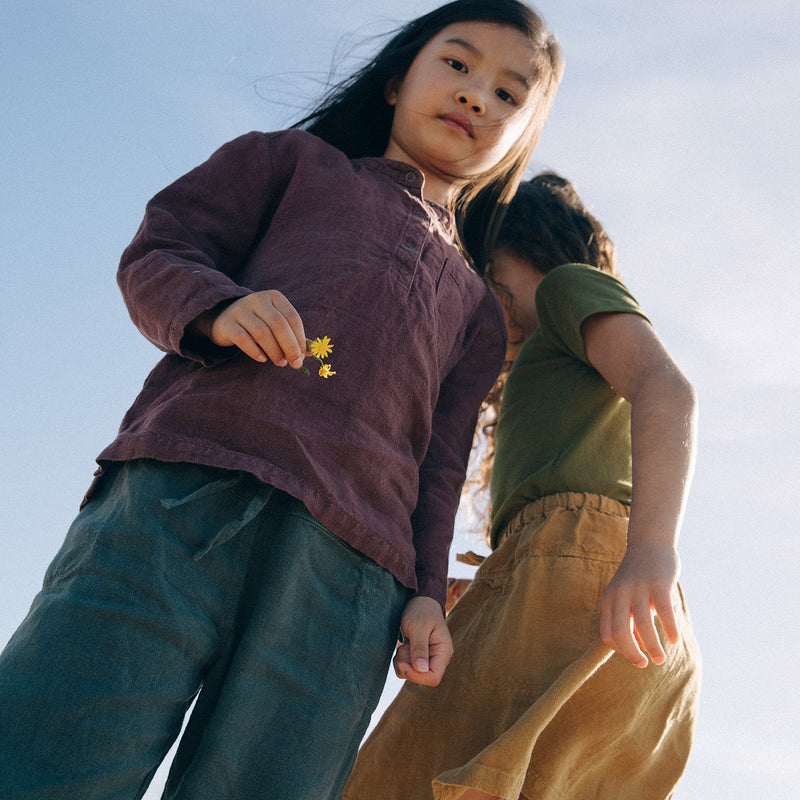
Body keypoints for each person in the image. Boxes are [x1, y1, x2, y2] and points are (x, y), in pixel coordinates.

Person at [0, 3, 564, 798]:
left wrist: (426, 597)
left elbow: (439, 465)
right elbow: (161, 248)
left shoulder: (474, 308)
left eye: (511, 94)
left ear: (522, 135)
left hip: (349, 583)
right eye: (459, 64)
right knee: (50, 751)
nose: (478, 95)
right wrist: (216, 306)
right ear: (400, 78)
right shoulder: (290, 163)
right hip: (180, 498)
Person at [343, 174, 701, 800]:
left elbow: (667, 388)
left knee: (404, 777)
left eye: (482, 268)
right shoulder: (536, 370)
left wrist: (652, 547)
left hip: (594, 574)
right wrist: (492, 586)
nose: (474, 292)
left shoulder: (568, 289)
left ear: (527, 245)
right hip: (575, 584)